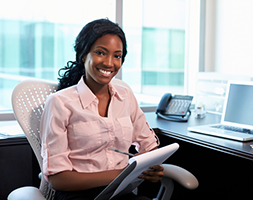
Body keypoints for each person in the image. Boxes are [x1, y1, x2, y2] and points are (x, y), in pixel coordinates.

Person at [39, 18, 164, 200]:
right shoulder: (60, 103)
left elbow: (149, 145)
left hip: (120, 193)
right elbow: (59, 179)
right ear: (83, 55)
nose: (109, 63)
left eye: (117, 56)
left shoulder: (125, 96)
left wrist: (151, 167)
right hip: (78, 195)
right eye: (100, 53)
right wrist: (121, 173)